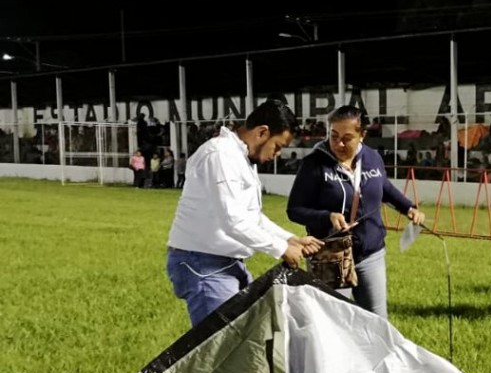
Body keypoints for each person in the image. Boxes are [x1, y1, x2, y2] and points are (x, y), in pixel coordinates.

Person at [166, 100, 322, 327]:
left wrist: (290, 239)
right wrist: (281, 249)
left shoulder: (240, 158)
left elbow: (252, 217)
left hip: (225, 262)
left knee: (246, 337)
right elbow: (234, 222)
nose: (277, 154)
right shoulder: (220, 154)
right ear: (262, 132)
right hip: (202, 264)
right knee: (222, 348)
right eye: (277, 146)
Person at [287, 106, 424, 319]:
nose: (339, 144)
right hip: (331, 255)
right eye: (334, 136)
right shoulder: (313, 164)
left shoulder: (373, 158)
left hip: (371, 255)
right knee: (334, 322)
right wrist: (327, 217)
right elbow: (294, 209)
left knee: (378, 322)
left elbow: (384, 187)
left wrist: (408, 207)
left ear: (362, 135)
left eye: (347, 138)